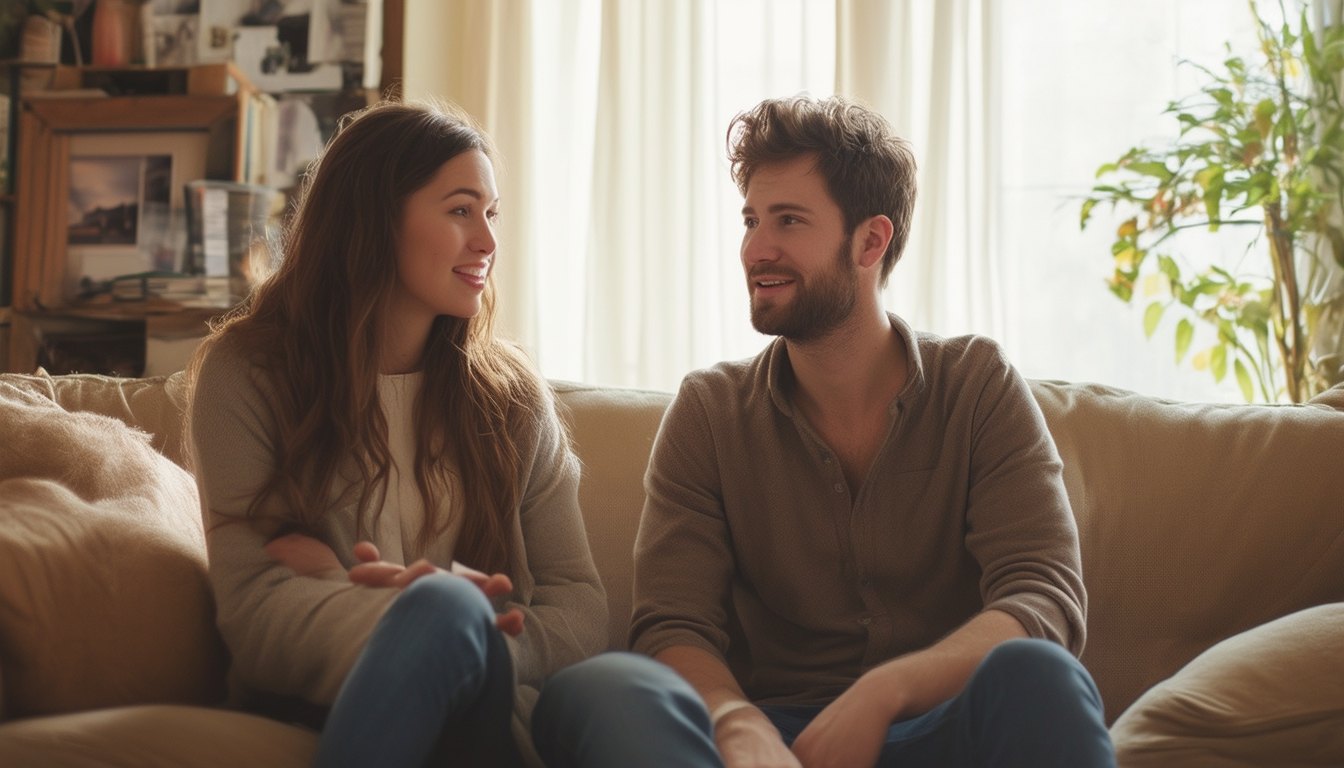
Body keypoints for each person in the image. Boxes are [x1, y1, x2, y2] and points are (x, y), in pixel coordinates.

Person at [534, 95, 1116, 768]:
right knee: (598, 689)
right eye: (751, 220)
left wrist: (885, 692)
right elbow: (674, 623)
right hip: (772, 746)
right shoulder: (709, 412)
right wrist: (735, 721)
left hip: (937, 732)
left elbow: (1042, 594)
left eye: (788, 221)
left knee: (1039, 674)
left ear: (871, 241)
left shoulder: (976, 384)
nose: (755, 248)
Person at [188, 99, 702, 768]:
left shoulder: (510, 397)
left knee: (629, 682)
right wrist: (418, 619)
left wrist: (475, 642)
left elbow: (577, 603)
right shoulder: (250, 373)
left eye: (491, 214)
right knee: (444, 609)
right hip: (342, 693)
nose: (487, 241)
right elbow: (256, 611)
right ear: (372, 219)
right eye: (461, 210)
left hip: (502, 699)